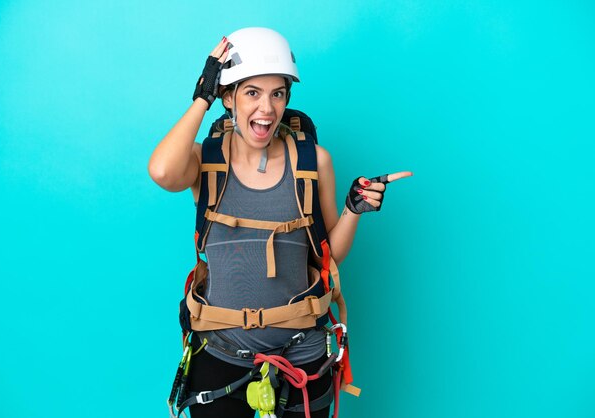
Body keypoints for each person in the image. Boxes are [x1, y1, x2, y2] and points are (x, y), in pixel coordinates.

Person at [149, 27, 412, 418]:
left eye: (278, 93)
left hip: (302, 352)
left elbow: (328, 255)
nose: (267, 109)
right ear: (228, 98)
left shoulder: (314, 162)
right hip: (222, 350)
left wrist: (352, 212)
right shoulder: (205, 159)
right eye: (251, 92)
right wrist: (200, 99)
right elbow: (162, 172)